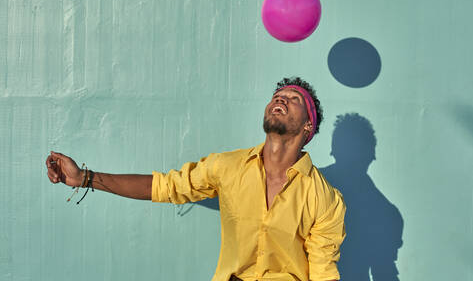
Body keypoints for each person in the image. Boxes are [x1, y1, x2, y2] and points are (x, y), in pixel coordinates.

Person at [45, 77, 346, 281]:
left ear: (308, 126)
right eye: (278, 96)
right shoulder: (228, 167)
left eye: (294, 98)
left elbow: (322, 271)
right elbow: (165, 186)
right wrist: (85, 177)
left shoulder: (325, 199)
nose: (281, 98)